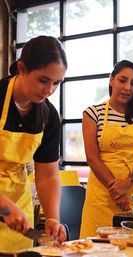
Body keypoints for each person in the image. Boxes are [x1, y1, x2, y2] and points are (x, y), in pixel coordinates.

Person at [0, 35, 68, 250]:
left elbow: (47, 175)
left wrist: (52, 219)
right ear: (22, 69)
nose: (49, 90)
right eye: (43, 80)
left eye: (56, 83)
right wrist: (2, 205)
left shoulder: (48, 115)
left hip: (18, 211)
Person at [80, 60, 133, 238]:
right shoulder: (92, 114)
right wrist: (117, 191)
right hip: (102, 197)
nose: (127, 87)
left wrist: (127, 185)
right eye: (122, 80)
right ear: (111, 80)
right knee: (97, 248)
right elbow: (92, 158)